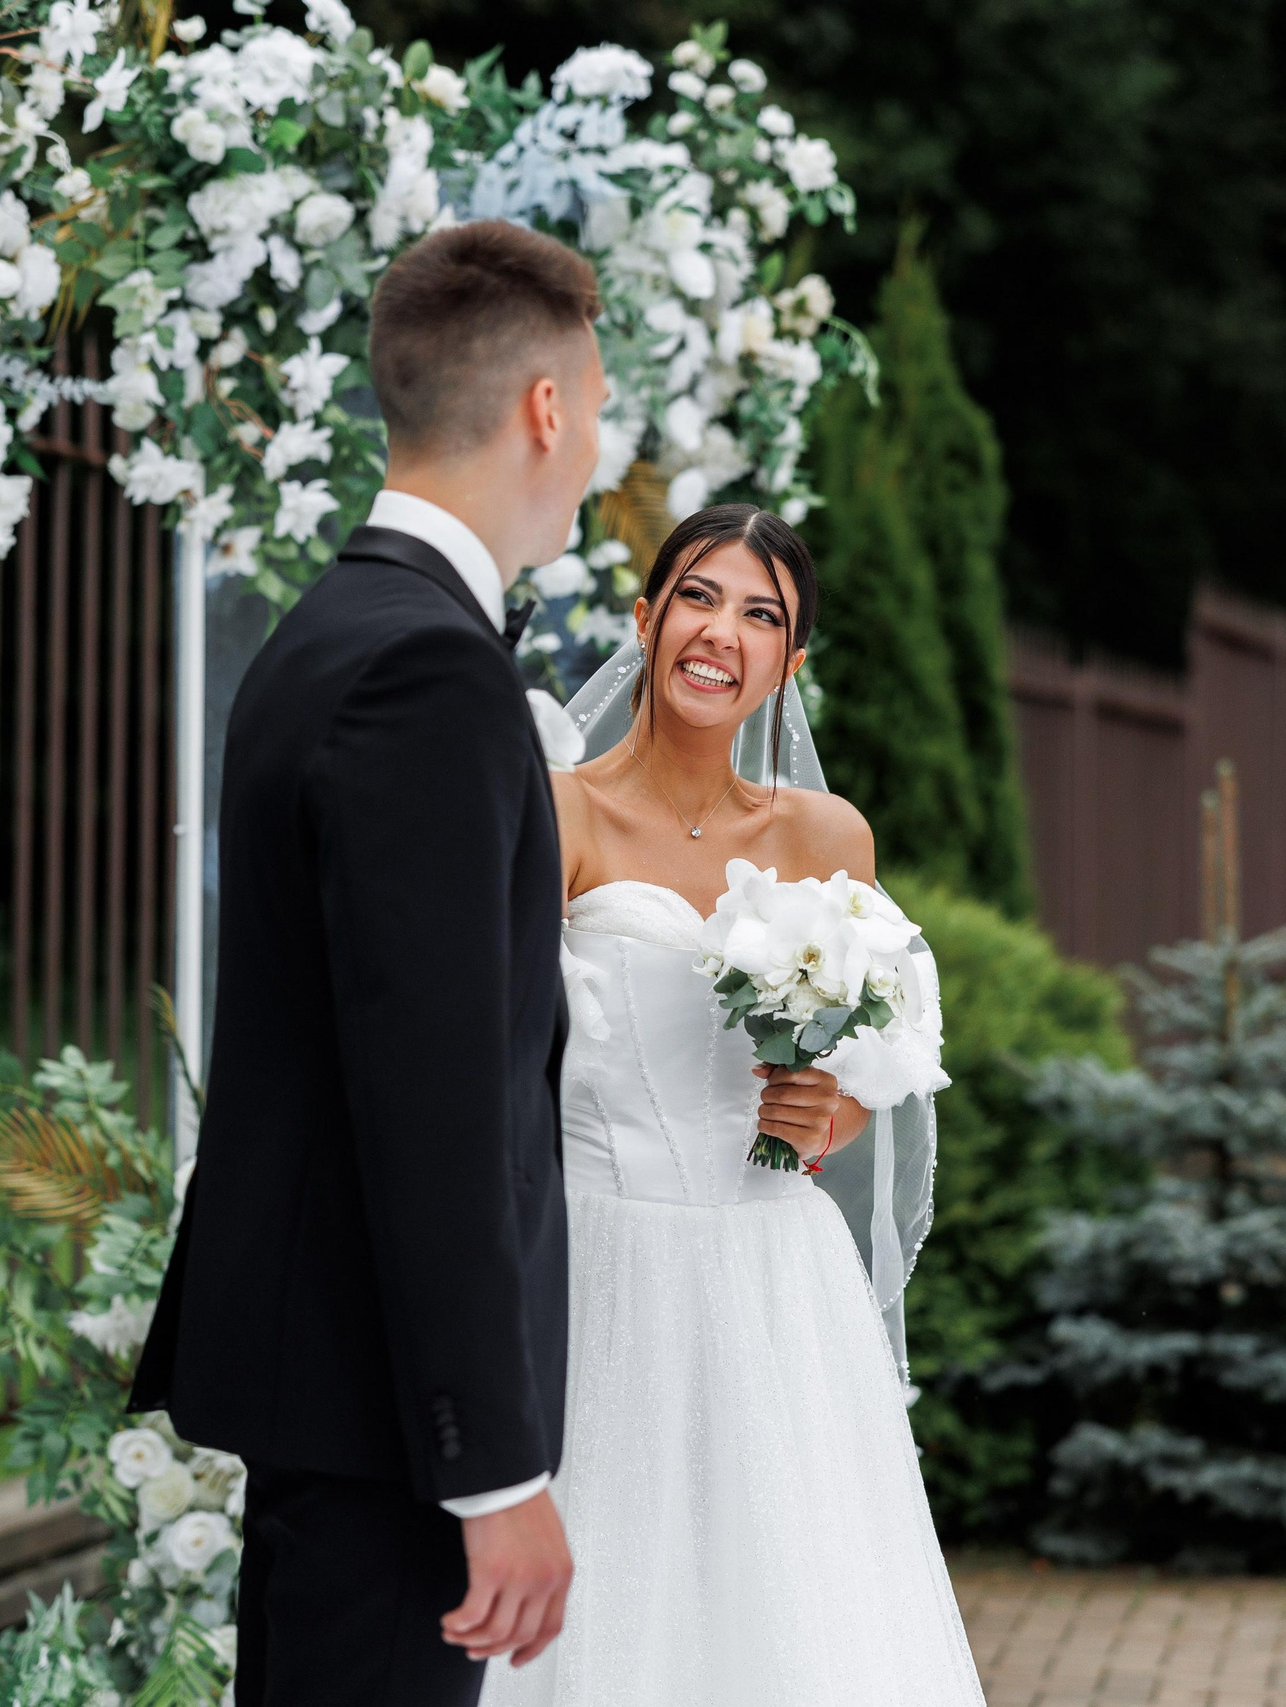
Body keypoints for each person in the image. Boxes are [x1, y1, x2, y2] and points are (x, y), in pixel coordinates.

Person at [128, 220, 609, 1705]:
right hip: (393, 1424)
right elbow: (436, 1097)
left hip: (332, 1396)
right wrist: (491, 1467)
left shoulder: (326, 633)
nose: (597, 443)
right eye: (597, 405)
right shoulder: (428, 670)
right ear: (543, 408)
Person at [482, 505, 986, 1706]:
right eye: (700, 597)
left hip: (775, 1279)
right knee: (615, 1598)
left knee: (796, 1608)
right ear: (647, 618)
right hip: (602, 1264)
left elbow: (866, 1069)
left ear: (789, 664)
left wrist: (826, 1115)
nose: (724, 633)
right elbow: (498, 1059)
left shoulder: (826, 833)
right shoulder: (559, 813)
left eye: (762, 615)